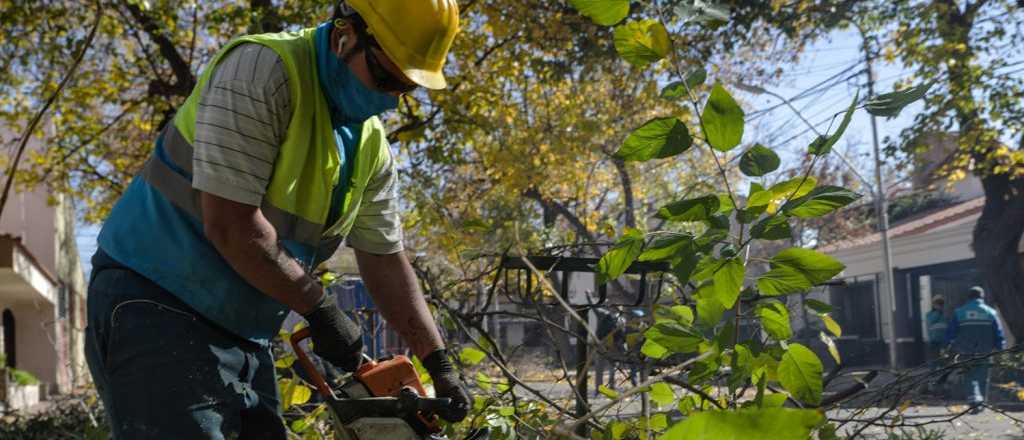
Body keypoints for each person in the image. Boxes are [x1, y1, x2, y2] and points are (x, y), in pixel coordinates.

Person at [84, 1, 468, 437]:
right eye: (384, 77)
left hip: (245, 331)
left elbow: (385, 260)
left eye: (405, 87)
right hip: (155, 303)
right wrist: (319, 309)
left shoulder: (370, 145)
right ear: (345, 36)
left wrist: (438, 361)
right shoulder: (261, 71)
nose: (389, 99)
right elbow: (231, 224)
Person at [946, 286, 1006, 409]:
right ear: (982, 297)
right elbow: (998, 333)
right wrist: (1000, 349)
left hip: (965, 351)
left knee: (969, 375)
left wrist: (949, 346)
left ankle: (974, 399)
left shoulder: (959, 312)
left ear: (969, 297)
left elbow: (951, 333)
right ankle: (982, 401)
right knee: (983, 376)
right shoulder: (991, 312)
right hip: (986, 351)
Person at [925, 295, 948, 361]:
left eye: (941, 304)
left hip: (943, 341)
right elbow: (931, 321)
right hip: (933, 341)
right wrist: (938, 312)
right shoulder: (929, 315)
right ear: (934, 304)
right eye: (938, 304)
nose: (940, 306)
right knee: (933, 360)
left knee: (943, 360)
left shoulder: (944, 315)